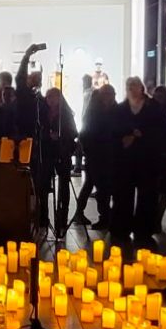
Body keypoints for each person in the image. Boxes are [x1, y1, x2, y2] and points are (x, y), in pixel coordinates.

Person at [110, 76, 166, 246]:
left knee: (147, 196)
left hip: (147, 159)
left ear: (141, 88)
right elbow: (113, 130)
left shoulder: (153, 107)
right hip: (125, 160)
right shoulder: (120, 109)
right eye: (129, 86)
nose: (132, 89)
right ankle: (121, 228)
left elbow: (161, 130)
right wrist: (124, 138)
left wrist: (142, 135)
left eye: (134, 85)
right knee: (122, 195)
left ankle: (144, 230)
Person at [73, 84, 117, 228]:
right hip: (96, 155)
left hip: (107, 155)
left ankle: (82, 213)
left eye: (111, 94)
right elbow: (87, 133)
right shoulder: (95, 111)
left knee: (93, 185)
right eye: (107, 94)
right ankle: (103, 216)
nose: (109, 97)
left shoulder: (112, 110)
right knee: (100, 187)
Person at [38, 87, 77, 233]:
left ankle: (62, 218)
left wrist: (60, 136)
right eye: (48, 97)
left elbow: (74, 132)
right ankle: (43, 217)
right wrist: (47, 136)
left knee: (63, 187)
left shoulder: (66, 114)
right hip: (47, 152)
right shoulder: (42, 113)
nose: (51, 100)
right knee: (43, 185)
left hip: (62, 152)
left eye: (53, 97)